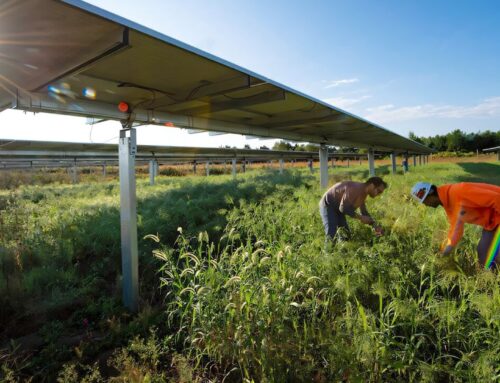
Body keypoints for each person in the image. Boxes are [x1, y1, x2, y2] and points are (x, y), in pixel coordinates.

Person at [411, 182, 500, 270]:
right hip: (492, 224)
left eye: (424, 201)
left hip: (497, 218)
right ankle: (492, 279)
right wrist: (446, 250)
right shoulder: (448, 203)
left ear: (430, 193)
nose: (425, 204)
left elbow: (497, 198)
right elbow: (456, 228)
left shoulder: (460, 191)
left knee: (495, 256)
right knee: (483, 254)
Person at [319, 177, 387, 241]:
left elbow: (364, 212)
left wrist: (375, 226)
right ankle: (327, 252)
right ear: (372, 185)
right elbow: (343, 208)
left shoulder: (364, 193)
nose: (378, 194)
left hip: (338, 209)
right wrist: (360, 217)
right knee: (331, 233)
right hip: (328, 205)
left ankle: (343, 252)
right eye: (379, 191)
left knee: (346, 235)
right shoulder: (356, 189)